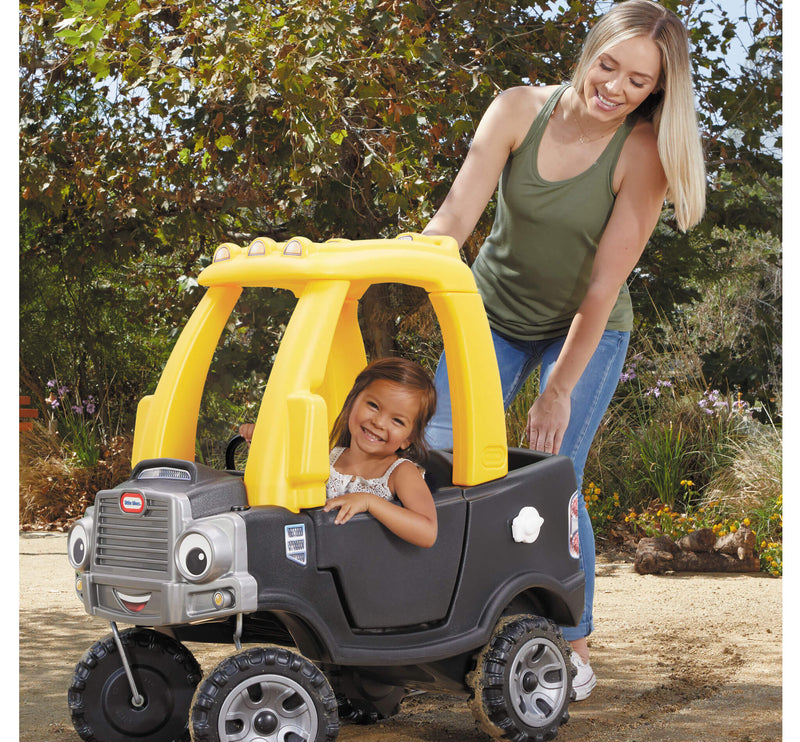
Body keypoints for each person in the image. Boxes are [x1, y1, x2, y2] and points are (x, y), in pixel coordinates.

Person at [422, 0, 706, 700]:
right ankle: (432, 619)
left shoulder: (642, 155)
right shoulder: (519, 108)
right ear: (590, 49)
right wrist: (401, 259)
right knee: (437, 450)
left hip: (587, 328)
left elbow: (603, 288)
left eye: (638, 83)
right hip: (491, 311)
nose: (615, 87)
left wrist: (557, 391)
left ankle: (573, 643)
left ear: (656, 92)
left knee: (555, 476)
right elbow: (457, 215)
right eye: (609, 65)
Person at [240, 357, 438, 548]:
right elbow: (284, 479)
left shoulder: (400, 473)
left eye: (397, 421)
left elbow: (427, 532)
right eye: (373, 406)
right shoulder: (325, 457)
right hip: (319, 558)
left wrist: (369, 502)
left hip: (367, 569)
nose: (378, 422)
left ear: (408, 438)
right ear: (352, 401)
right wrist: (262, 442)